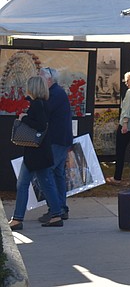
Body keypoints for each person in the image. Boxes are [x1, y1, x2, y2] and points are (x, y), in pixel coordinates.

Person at [9, 76, 65, 229]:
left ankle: (18, 219)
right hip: (41, 151)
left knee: (23, 184)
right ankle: (56, 214)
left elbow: (40, 125)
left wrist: (24, 118)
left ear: (32, 87)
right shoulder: (43, 103)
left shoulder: (37, 105)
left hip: (35, 152)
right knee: (46, 183)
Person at [38, 66, 73, 223]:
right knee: (58, 174)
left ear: (49, 79)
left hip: (57, 140)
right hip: (61, 140)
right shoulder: (57, 92)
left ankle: (55, 210)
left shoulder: (54, 94)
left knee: (47, 173)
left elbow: (45, 114)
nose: (39, 80)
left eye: (41, 77)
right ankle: (61, 208)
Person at [106, 71, 130, 190]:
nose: (126, 83)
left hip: (128, 127)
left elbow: (127, 109)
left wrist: (124, 124)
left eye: (127, 80)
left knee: (120, 152)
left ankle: (117, 178)